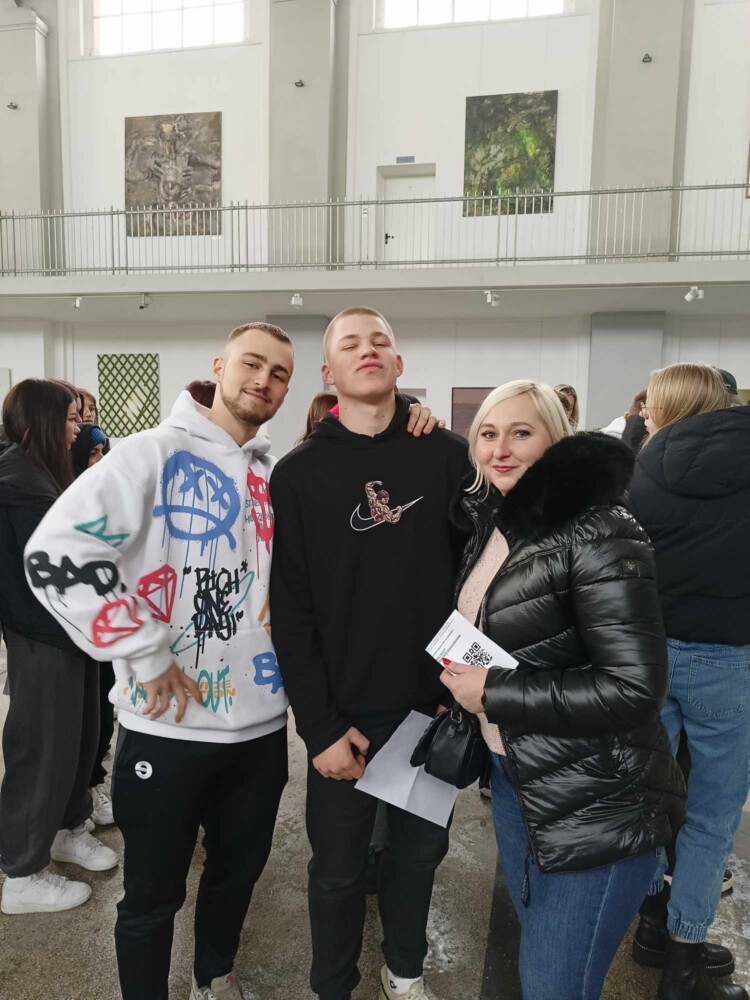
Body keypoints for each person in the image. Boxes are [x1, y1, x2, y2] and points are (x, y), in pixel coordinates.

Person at [25, 323, 295, 1000]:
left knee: (237, 876)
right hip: (166, 730)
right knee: (151, 895)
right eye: (251, 363)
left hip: (261, 731)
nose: (263, 380)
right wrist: (142, 651)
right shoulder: (150, 453)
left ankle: (214, 977)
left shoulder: (270, 474)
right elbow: (57, 554)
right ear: (218, 367)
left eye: (280, 373)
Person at [439, 379, 686, 1000]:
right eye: (488, 434)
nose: (500, 449)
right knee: (545, 964)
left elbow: (634, 688)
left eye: (521, 432)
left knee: (553, 983)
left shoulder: (598, 530)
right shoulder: (499, 524)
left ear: (556, 438)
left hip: (599, 799)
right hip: (517, 779)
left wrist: (494, 692)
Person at [270, 306, 470, 1000]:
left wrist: (462, 692)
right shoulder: (298, 473)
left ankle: (405, 971)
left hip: (432, 710)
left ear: (398, 364)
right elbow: (291, 611)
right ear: (329, 372)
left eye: (380, 340)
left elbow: (480, 576)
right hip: (345, 716)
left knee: (418, 858)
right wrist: (319, 728)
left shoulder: (446, 456)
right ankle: (333, 986)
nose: (368, 350)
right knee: (336, 871)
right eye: (350, 344)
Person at [629, 363, 750, 1000]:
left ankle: (648, 923)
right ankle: (683, 958)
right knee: (712, 815)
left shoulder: (641, 467)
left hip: (649, 654)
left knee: (650, 798)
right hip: (729, 657)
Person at [0, 379, 117, 916]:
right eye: (71, 419)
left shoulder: (43, 474)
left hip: (71, 631)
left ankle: (67, 829)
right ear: (44, 423)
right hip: (42, 635)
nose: (78, 429)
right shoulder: (18, 483)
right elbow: (54, 569)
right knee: (42, 748)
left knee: (80, 738)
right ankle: (22, 873)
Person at [70, 423, 116, 828]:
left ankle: (91, 787)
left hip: (104, 626)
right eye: (92, 454)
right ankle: (73, 809)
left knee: (100, 715)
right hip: (71, 631)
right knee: (76, 725)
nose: (100, 462)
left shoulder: (101, 493)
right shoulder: (55, 499)